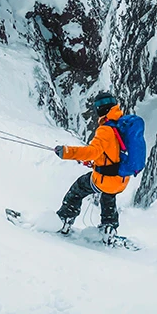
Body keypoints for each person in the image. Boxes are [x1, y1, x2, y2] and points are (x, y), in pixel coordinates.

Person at [54, 91, 129, 240]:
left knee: (79, 188)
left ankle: (64, 220)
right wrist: (97, 163)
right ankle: (109, 229)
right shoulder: (123, 125)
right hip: (121, 179)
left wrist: (67, 152)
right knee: (108, 195)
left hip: (105, 179)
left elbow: (91, 152)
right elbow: (114, 153)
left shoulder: (105, 130)